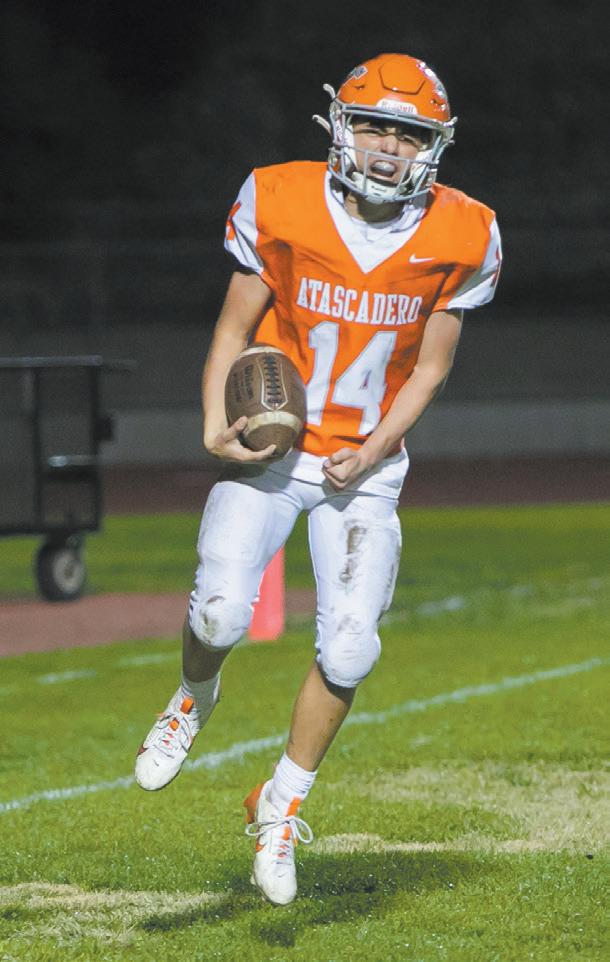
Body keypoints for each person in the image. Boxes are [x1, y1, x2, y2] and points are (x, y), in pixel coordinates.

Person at [134, 52, 501, 905]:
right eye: (373, 125)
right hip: (278, 452)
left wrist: (374, 452)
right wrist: (212, 423)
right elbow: (233, 330)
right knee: (220, 613)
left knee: (351, 646)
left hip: (365, 469)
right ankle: (192, 697)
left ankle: (281, 803)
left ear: (434, 145)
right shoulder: (281, 197)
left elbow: (431, 369)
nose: (387, 146)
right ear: (340, 126)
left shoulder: (466, 230)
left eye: (407, 133)